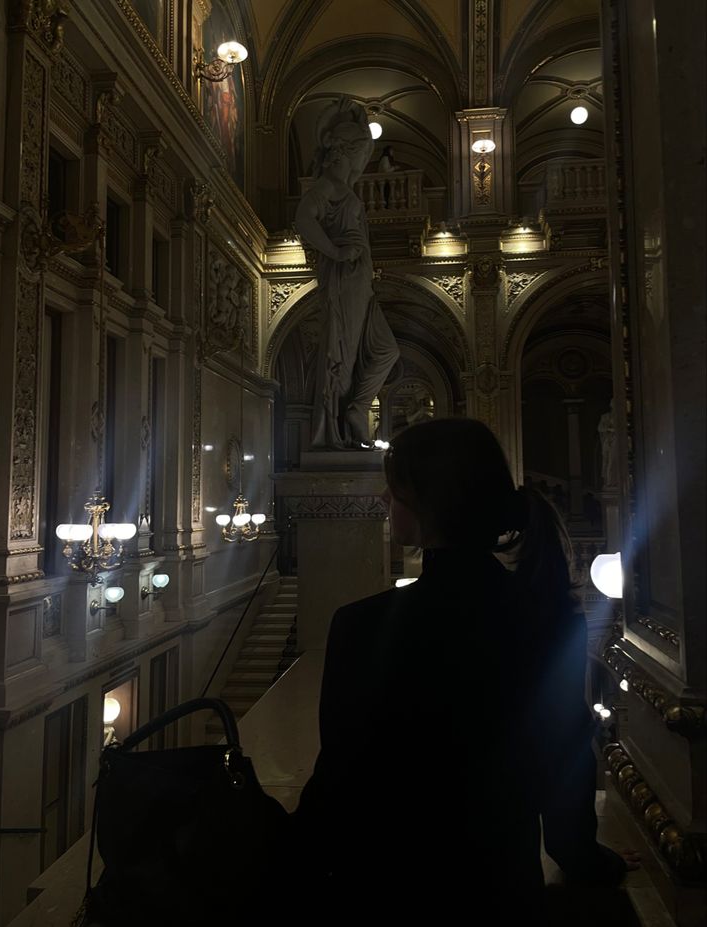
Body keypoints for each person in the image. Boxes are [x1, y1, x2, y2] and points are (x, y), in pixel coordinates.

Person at [292, 417, 635, 922]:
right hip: (499, 891)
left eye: (395, 487)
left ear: (430, 503)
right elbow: (565, 763)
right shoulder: (545, 617)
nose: (385, 500)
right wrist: (585, 860)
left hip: (384, 891)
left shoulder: (362, 626)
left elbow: (340, 784)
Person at [294, 98, 399, 448]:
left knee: (386, 350)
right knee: (343, 354)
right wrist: (335, 251)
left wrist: (355, 115)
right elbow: (303, 219)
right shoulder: (326, 186)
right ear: (343, 150)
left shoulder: (346, 184)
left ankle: (357, 408)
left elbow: (367, 146)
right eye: (356, 149)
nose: (362, 158)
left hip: (360, 281)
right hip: (344, 280)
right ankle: (337, 426)